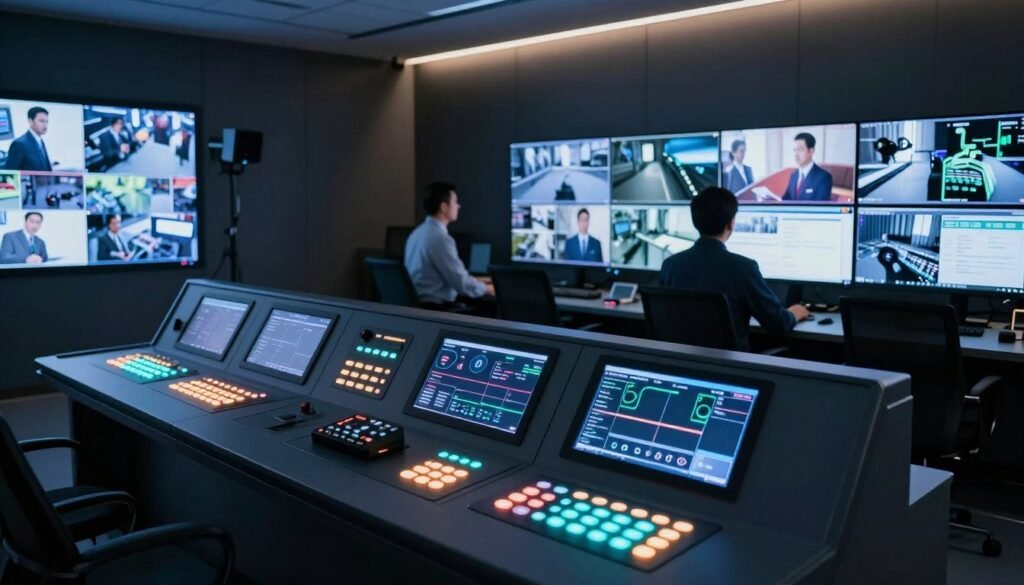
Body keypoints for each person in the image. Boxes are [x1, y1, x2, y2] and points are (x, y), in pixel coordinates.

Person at [659, 187, 809, 350]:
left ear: (695, 221)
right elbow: (777, 324)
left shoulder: (670, 266)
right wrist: (795, 313)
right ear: (731, 223)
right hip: (729, 368)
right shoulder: (743, 268)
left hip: (683, 364)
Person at [405, 182, 494, 306]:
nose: (459, 206)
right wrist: (490, 289)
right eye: (455, 202)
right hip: (435, 308)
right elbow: (462, 284)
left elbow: (451, 278)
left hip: (419, 307)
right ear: (444, 207)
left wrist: (482, 281)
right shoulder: (440, 239)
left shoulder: (416, 233)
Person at [782, 132, 833, 202]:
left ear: (811, 151)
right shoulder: (793, 176)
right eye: (794, 150)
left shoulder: (824, 177)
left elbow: (821, 208)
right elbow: (785, 199)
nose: (796, 154)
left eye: (800, 149)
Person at [3, 107, 52, 171]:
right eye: (41, 121)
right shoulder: (19, 144)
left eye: (46, 122)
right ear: (30, 121)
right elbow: (10, 172)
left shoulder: (40, 142)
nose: (45, 125)